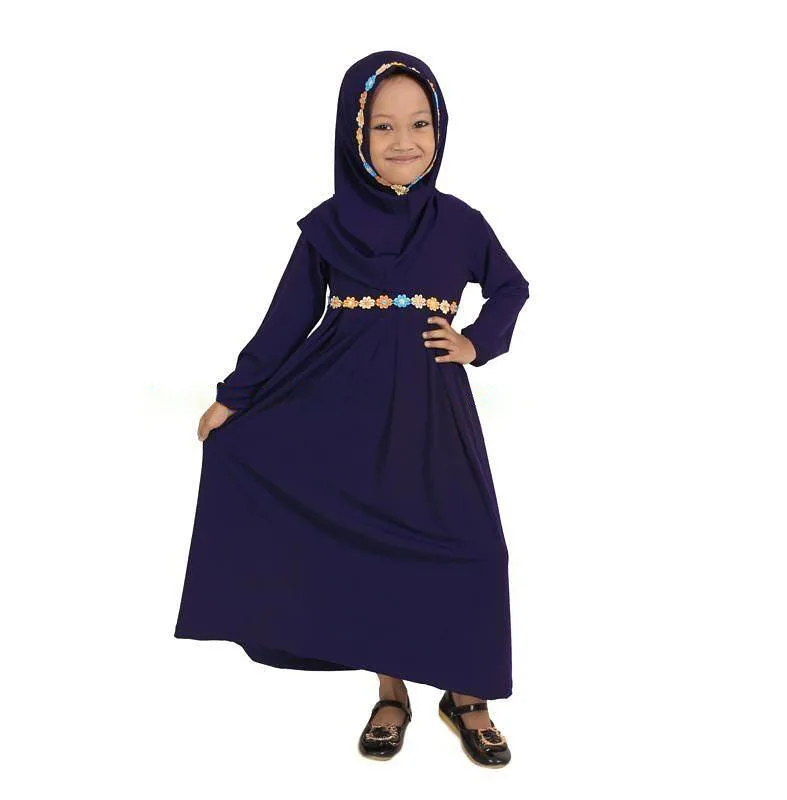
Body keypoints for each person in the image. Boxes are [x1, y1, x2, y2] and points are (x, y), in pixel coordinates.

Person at [174, 50, 530, 768]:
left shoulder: (460, 223)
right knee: (374, 550)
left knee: (472, 546)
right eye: (383, 126)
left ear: (440, 129)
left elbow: (511, 287)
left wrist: (477, 342)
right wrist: (233, 399)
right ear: (355, 134)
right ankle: (391, 693)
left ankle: (468, 697)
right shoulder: (329, 226)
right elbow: (286, 321)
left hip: (432, 412)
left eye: (420, 124)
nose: (405, 141)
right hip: (342, 408)